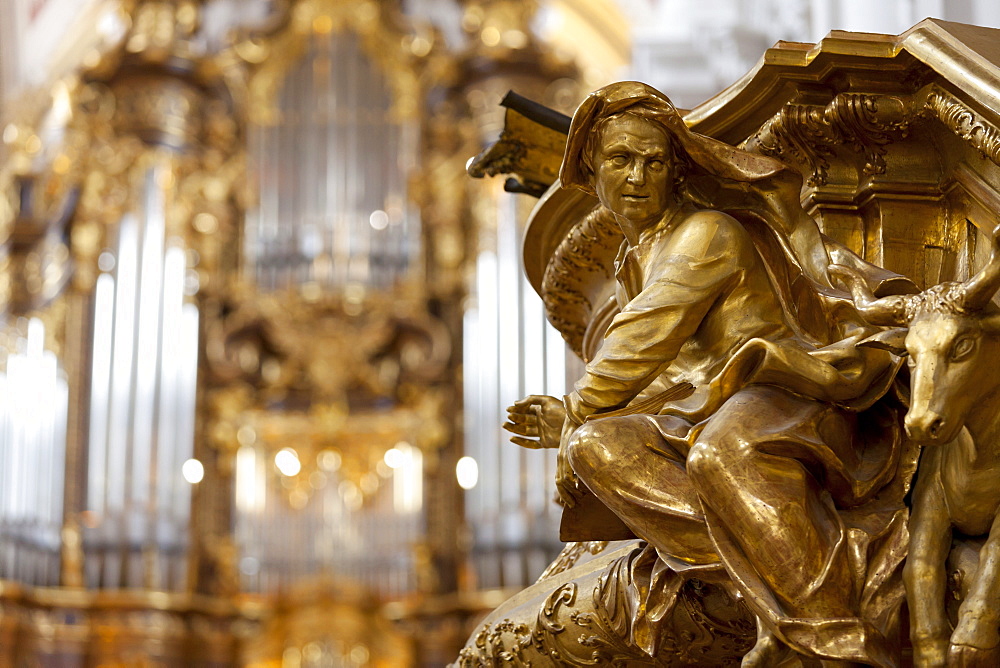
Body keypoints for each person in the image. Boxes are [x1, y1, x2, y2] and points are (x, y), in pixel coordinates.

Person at [505, 82, 910, 666]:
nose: (637, 177)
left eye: (653, 161)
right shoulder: (634, 255)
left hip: (785, 388)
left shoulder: (705, 233)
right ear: (593, 172)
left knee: (721, 452)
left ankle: (834, 635)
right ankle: (775, 569)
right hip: (705, 399)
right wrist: (575, 425)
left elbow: (645, 335)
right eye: (620, 160)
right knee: (600, 447)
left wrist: (576, 406)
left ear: (675, 170)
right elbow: (668, 367)